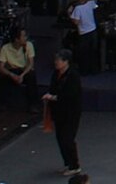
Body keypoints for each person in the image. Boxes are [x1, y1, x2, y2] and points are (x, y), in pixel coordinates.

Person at [43, 47, 82, 177]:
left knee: (67, 138)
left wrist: (54, 97)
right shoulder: (56, 74)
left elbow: (70, 95)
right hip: (59, 111)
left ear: (66, 61)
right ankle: (68, 163)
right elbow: (52, 88)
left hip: (71, 112)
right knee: (60, 138)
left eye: (59, 60)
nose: (56, 62)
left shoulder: (73, 76)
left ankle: (74, 165)